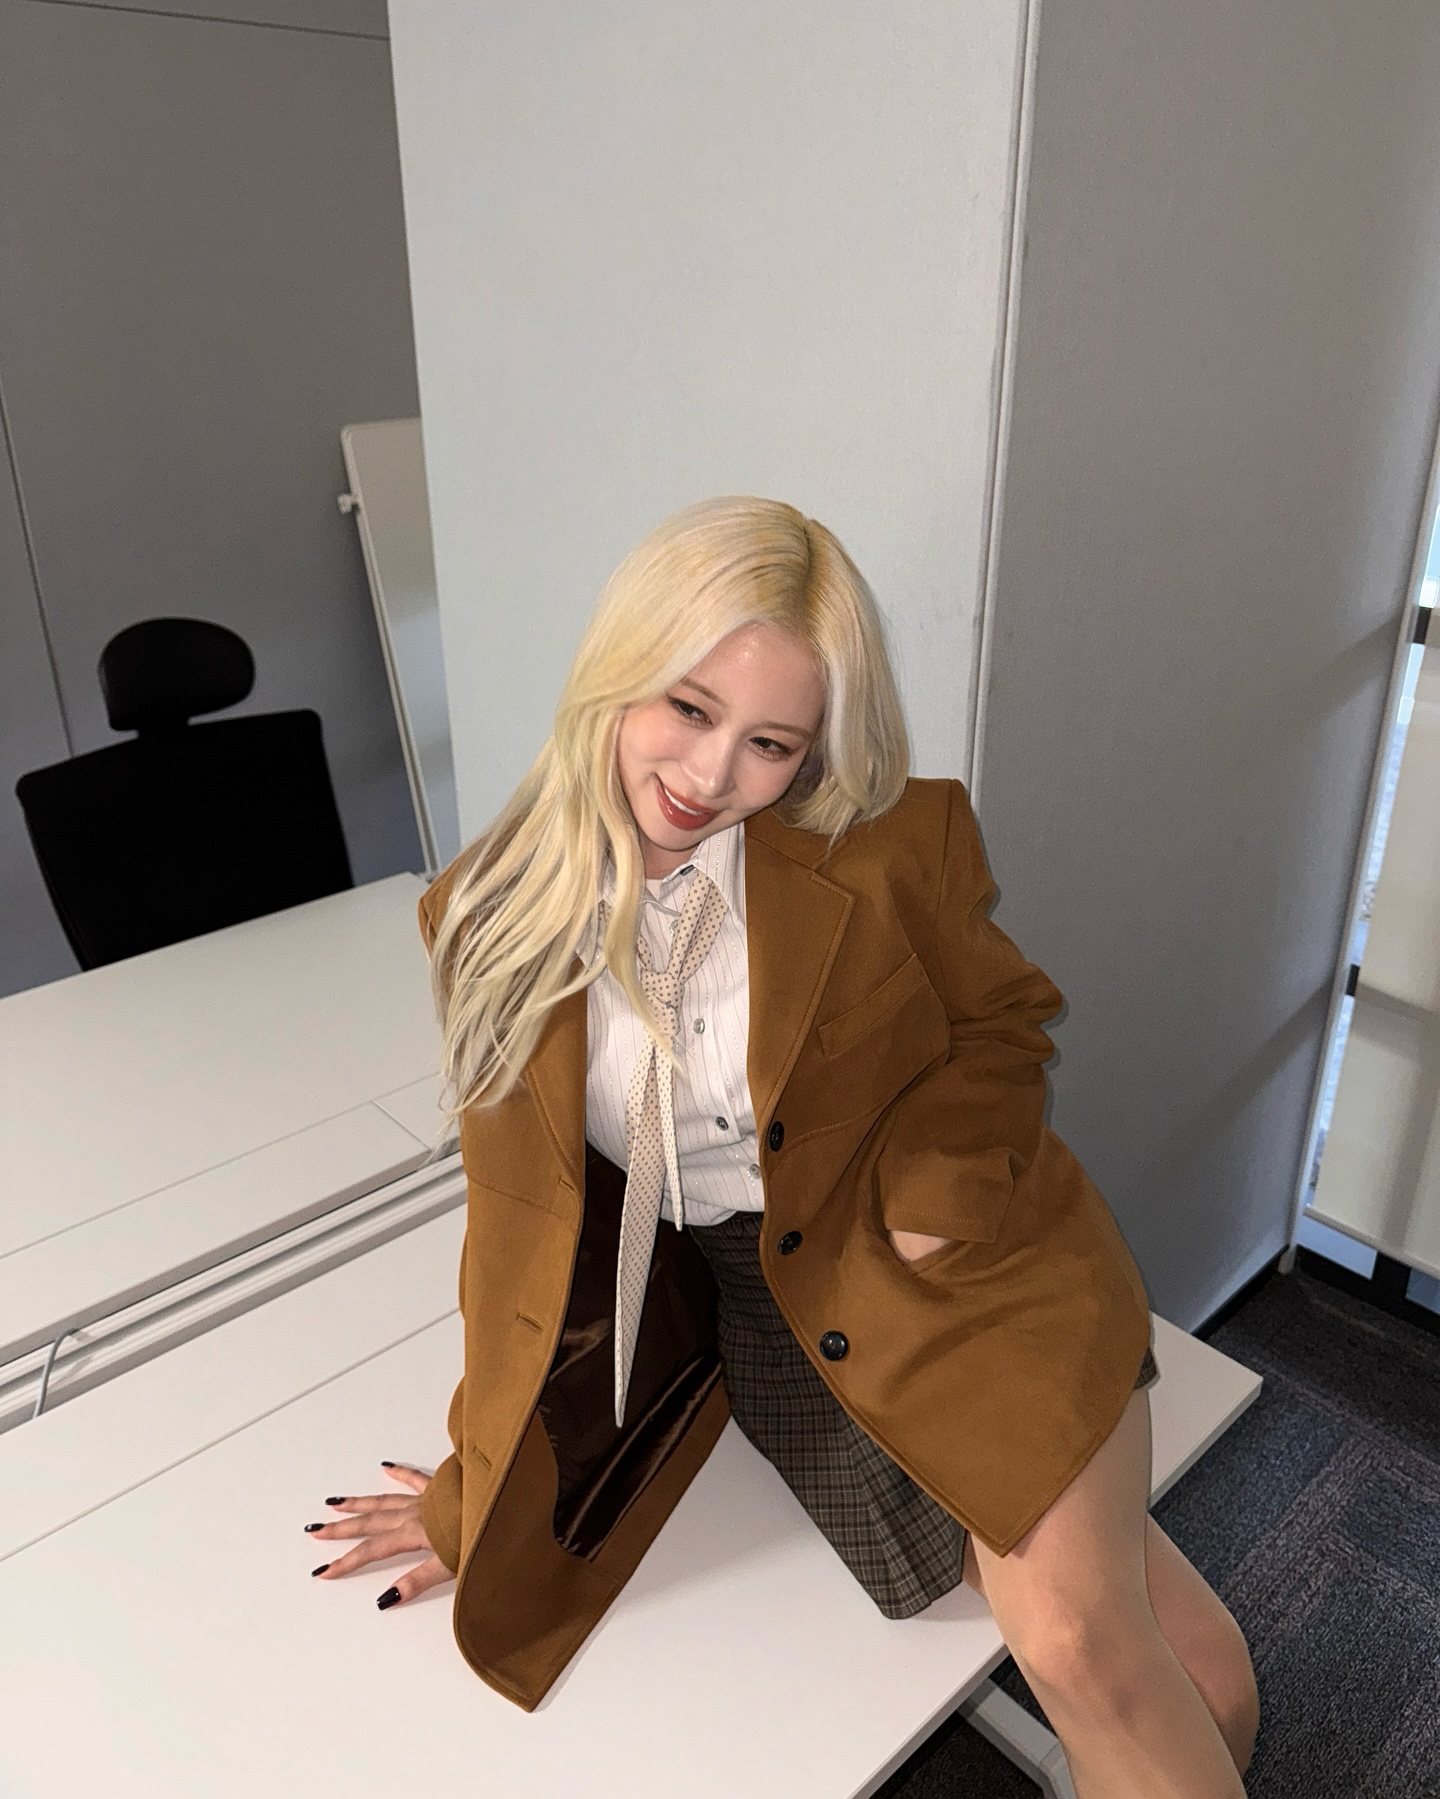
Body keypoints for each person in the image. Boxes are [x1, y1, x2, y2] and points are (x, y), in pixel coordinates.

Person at [306, 496, 1258, 1796]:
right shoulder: (487, 917)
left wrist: (928, 1198)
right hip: (773, 1308)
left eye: (770, 744)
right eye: (688, 709)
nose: (711, 778)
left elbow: (1005, 1023)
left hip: (967, 1270)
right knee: (1192, 1679)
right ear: (619, 668)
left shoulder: (890, 847)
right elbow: (517, 1228)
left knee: (1079, 1643)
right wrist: (469, 1490)